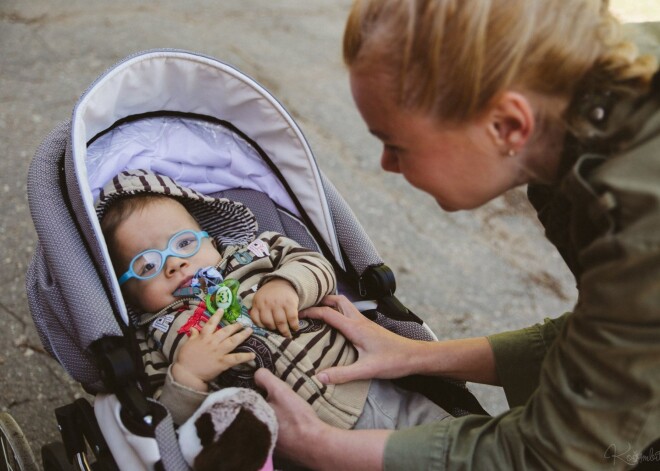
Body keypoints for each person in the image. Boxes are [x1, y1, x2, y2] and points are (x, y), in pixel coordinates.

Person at [253, 0, 660, 469]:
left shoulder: (637, 221)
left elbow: (554, 455)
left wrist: (316, 445)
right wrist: (411, 354)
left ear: (505, 125)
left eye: (395, 143)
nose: (386, 164)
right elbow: (609, 348)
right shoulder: (587, 151)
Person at [96, 169, 451, 431]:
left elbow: (318, 267)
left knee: (441, 442)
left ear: (209, 238)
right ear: (127, 291)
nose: (174, 263)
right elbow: (163, 421)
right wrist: (188, 375)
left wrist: (287, 285)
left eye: (184, 243)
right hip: (282, 441)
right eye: (147, 265)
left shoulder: (255, 253)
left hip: (364, 388)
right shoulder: (154, 334)